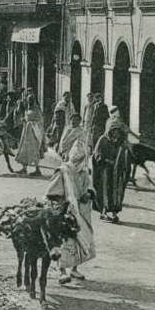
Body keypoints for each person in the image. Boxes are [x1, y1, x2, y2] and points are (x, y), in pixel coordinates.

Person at [44, 119, 95, 284]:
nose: (80, 163)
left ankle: (74, 269)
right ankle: (62, 271)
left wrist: (89, 194)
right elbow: (51, 193)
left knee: (80, 240)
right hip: (66, 213)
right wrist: (62, 204)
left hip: (82, 211)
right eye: (78, 160)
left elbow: (89, 187)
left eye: (82, 160)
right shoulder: (64, 171)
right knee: (65, 242)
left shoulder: (84, 173)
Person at [91, 119, 133, 223]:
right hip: (105, 171)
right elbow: (97, 154)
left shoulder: (122, 143)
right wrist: (104, 159)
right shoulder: (103, 140)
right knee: (105, 191)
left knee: (116, 192)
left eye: (118, 131)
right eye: (114, 130)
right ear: (110, 130)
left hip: (117, 173)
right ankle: (104, 212)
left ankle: (114, 213)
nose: (116, 133)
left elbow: (127, 156)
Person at [15, 95, 46, 175]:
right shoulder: (27, 109)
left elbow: (40, 121)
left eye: (31, 100)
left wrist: (32, 123)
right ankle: (24, 168)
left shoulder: (37, 110)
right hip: (26, 132)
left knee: (34, 150)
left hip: (34, 132)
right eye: (29, 100)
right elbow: (26, 117)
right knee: (24, 149)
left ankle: (37, 169)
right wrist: (24, 120)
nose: (30, 101)